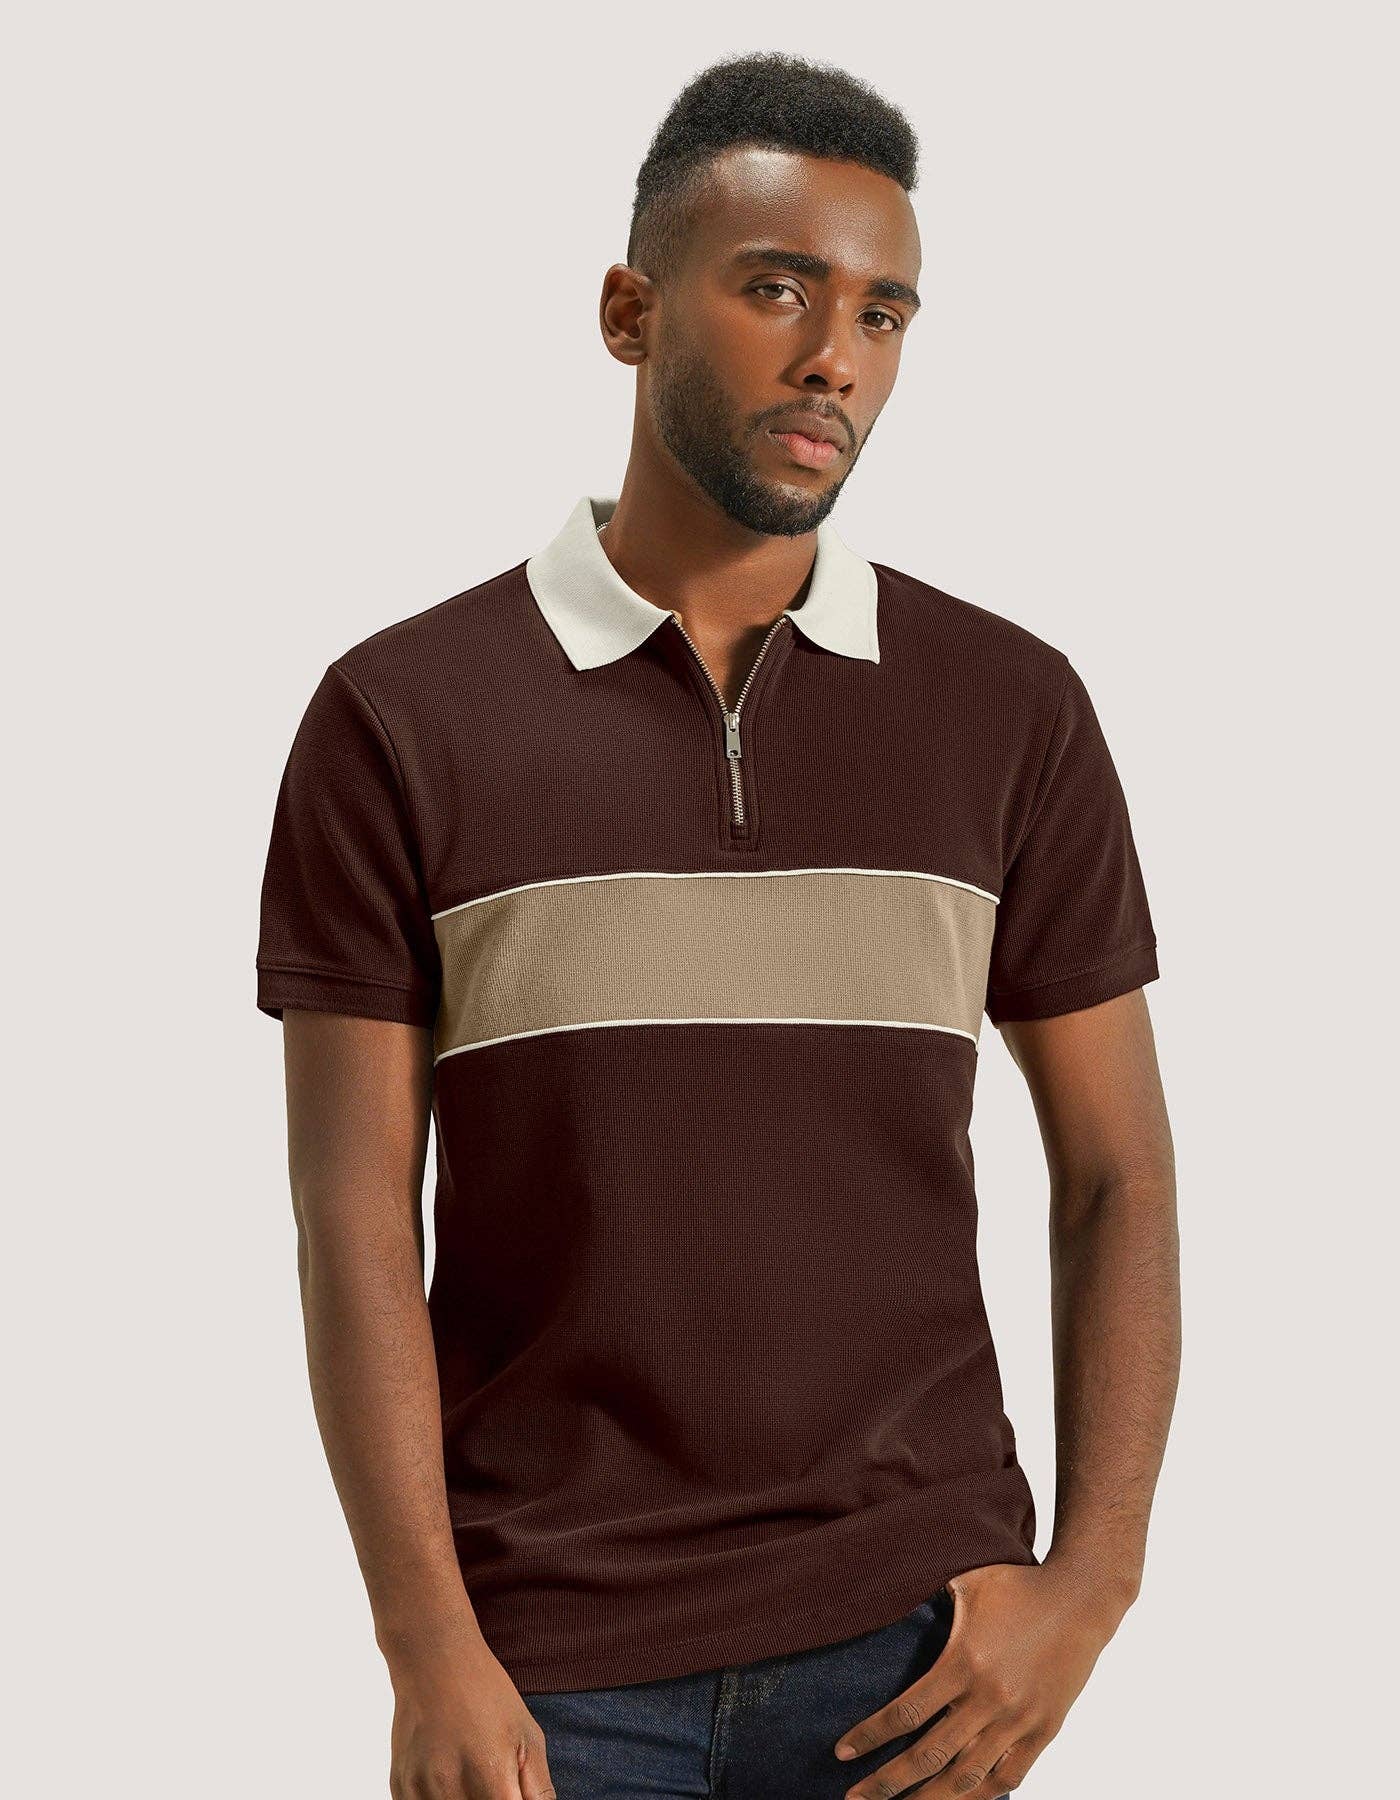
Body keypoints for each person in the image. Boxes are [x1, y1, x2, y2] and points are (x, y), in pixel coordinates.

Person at [256, 49, 1179, 1800]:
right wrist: (426, 1648)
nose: (838, 354)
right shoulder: (404, 715)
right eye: (777, 289)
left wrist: (1095, 1586)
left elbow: (1120, 1173)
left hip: (916, 1663)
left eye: (884, 313)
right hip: (548, 1678)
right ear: (630, 312)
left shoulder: (1008, 709)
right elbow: (353, 1215)